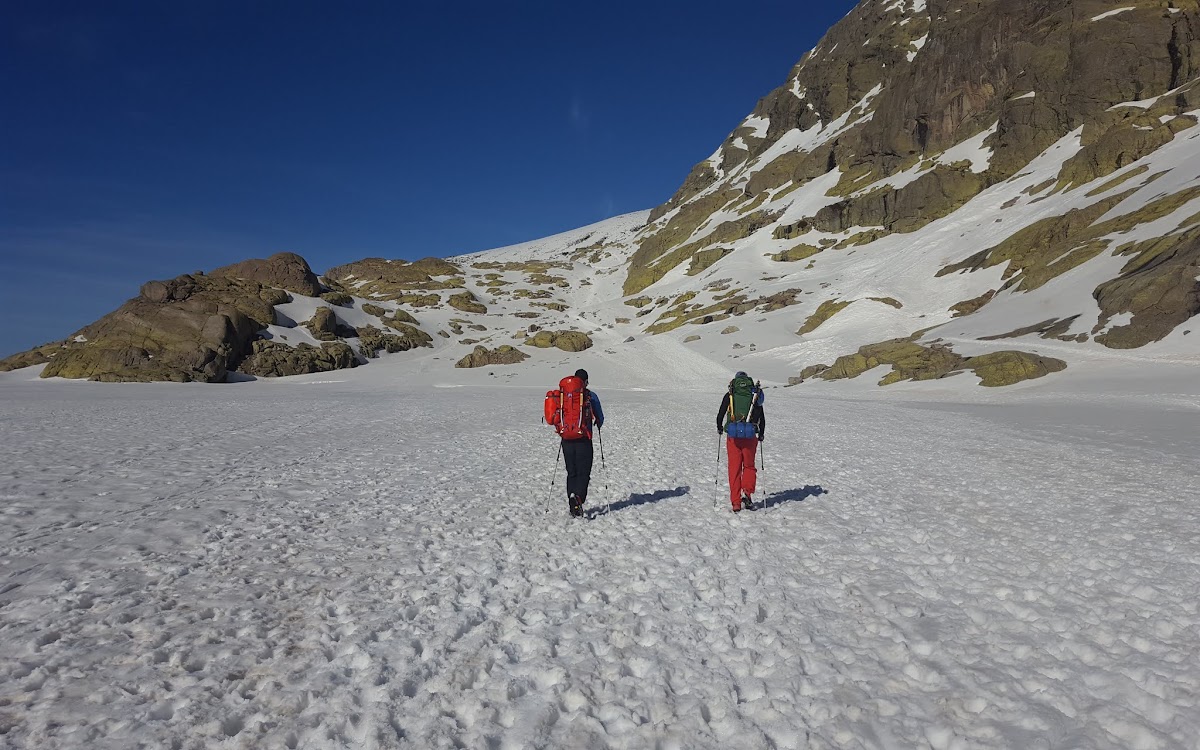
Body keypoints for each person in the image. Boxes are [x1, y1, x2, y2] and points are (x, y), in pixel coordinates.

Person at [548, 368, 604, 517]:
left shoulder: (563, 396)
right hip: (584, 439)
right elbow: (600, 419)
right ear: (584, 381)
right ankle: (578, 498)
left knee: (571, 472)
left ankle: (572, 501)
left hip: (566, 439)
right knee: (583, 472)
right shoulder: (590, 396)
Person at [716, 371, 765, 512]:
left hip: (733, 437)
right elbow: (761, 417)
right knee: (749, 466)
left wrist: (720, 428)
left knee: (734, 469)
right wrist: (761, 433)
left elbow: (720, 415)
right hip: (750, 436)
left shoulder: (730, 394)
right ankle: (747, 494)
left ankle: (736, 502)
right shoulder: (754, 394)